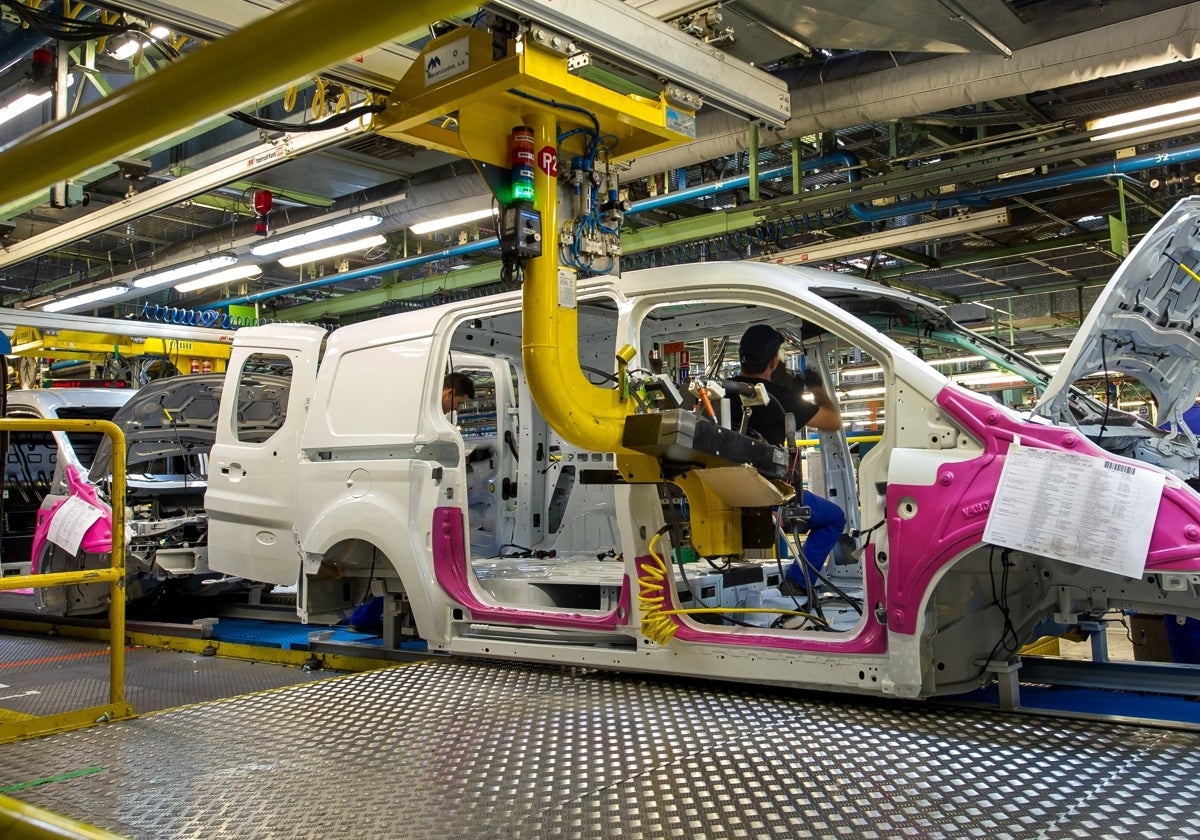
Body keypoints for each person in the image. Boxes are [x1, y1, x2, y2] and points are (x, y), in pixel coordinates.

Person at [350, 371, 477, 634]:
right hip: (403, 497)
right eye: (459, 402)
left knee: (402, 563)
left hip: (410, 497)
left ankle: (365, 618)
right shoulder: (421, 414)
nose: (458, 408)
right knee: (401, 563)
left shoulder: (428, 415)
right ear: (448, 392)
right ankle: (363, 619)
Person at [729, 323, 847, 595]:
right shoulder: (781, 398)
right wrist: (816, 389)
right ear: (773, 361)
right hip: (771, 493)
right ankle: (798, 581)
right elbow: (834, 421)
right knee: (834, 518)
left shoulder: (720, 393)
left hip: (724, 489)